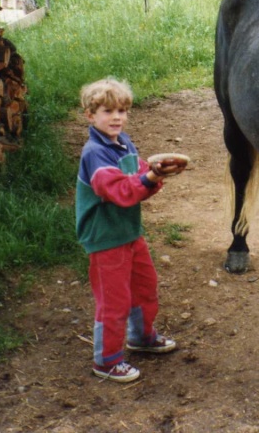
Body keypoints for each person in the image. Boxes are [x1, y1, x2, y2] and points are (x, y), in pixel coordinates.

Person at [76, 78, 185, 383]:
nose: (117, 117)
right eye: (108, 110)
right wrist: (148, 178)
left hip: (128, 232)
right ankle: (107, 361)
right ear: (90, 115)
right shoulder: (94, 154)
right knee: (114, 300)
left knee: (144, 285)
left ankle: (142, 336)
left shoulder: (123, 142)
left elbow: (138, 179)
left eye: (122, 110)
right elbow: (121, 192)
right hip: (105, 237)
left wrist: (157, 172)